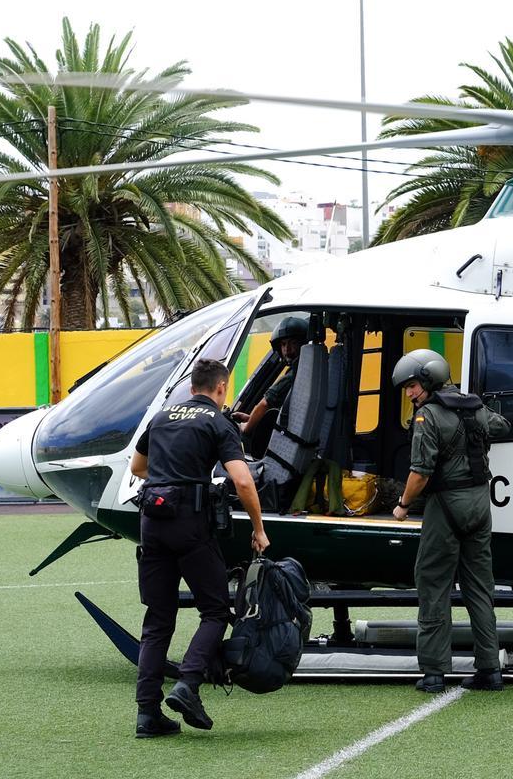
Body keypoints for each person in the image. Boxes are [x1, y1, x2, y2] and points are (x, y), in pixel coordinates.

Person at [129, 358, 270, 738]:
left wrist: (170, 477)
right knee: (215, 611)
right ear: (221, 388)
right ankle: (188, 684)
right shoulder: (218, 423)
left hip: (151, 523)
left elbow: (138, 467)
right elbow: (242, 481)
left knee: (158, 620)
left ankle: (147, 715)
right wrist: (258, 529)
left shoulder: (161, 417)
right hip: (189, 526)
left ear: (192, 387)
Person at [390, 349, 510, 693]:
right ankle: (490, 670)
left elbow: (420, 473)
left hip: (445, 507)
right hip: (479, 505)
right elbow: (502, 426)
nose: (409, 393)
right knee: (480, 590)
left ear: (429, 380)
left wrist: (402, 506)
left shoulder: (427, 416)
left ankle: (433, 672)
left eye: (412, 386)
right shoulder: (473, 407)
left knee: (433, 585)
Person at [238, 316, 308, 444]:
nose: (287, 349)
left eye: (293, 343)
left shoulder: (294, 375)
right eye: (283, 344)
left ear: (303, 344)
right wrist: (251, 419)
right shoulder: (308, 370)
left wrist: (246, 427)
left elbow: (265, 404)